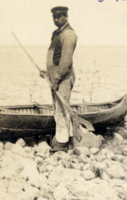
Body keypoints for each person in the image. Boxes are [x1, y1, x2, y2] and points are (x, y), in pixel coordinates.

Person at [40, 6, 77, 152]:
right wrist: (47, 72)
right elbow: (55, 59)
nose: (56, 19)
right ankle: (64, 138)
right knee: (57, 109)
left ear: (66, 16)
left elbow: (66, 62)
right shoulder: (57, 33)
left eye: (59, 16)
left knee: (62, 110)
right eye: (54, 17)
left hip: (63, 78)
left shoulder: (68, 34)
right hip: (55, 77)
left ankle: (62, 144)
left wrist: (56, 80)